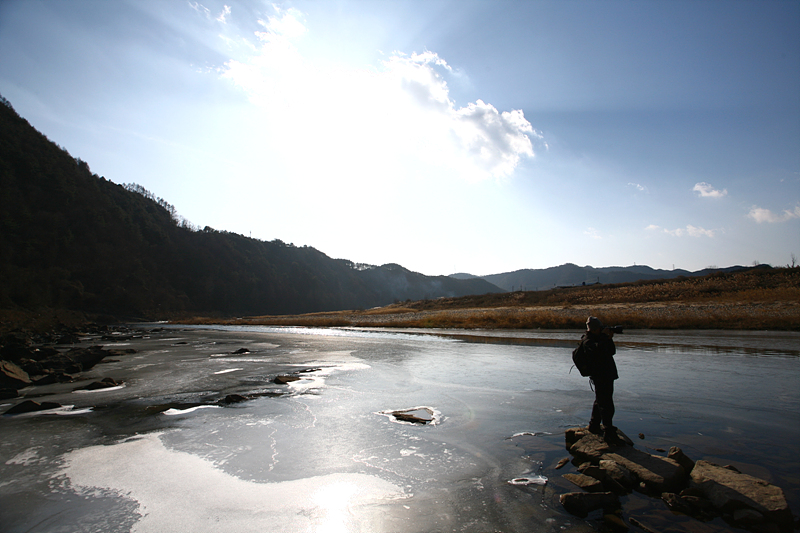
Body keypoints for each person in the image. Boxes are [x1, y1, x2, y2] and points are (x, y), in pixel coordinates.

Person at [580, 316, 619, 442]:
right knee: (606, 404)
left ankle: (594, 425)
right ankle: (608, 431)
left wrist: (609, 339)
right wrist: (604, 337)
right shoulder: (588, 341)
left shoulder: (599, 338)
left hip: (607, 374)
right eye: (600, 328)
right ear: (594, 329)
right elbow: (597, 350)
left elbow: (611, 351)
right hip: (600, 376)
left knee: (600, 401)